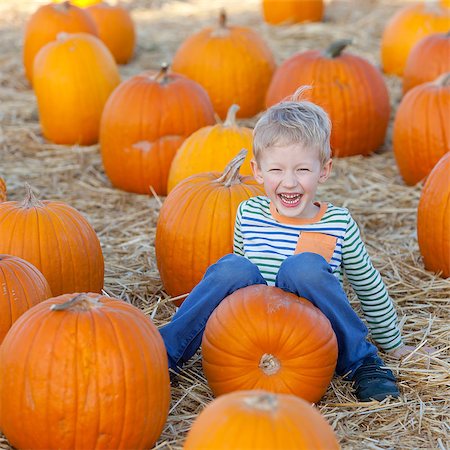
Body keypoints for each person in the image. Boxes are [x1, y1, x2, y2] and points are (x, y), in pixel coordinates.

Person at [159, 87, 421, 402]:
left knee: (303, 268)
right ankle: (166, 353)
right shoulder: (248, 212)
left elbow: (368, 286)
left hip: (309, 337)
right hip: (252, 336)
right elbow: (242, 283)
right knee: (233, 267)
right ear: (256, 172)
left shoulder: (338, 224)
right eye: (277, 170)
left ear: (324, 170)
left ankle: (362, 362)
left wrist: (392, 343)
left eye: (302, 169)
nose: (290, 181)